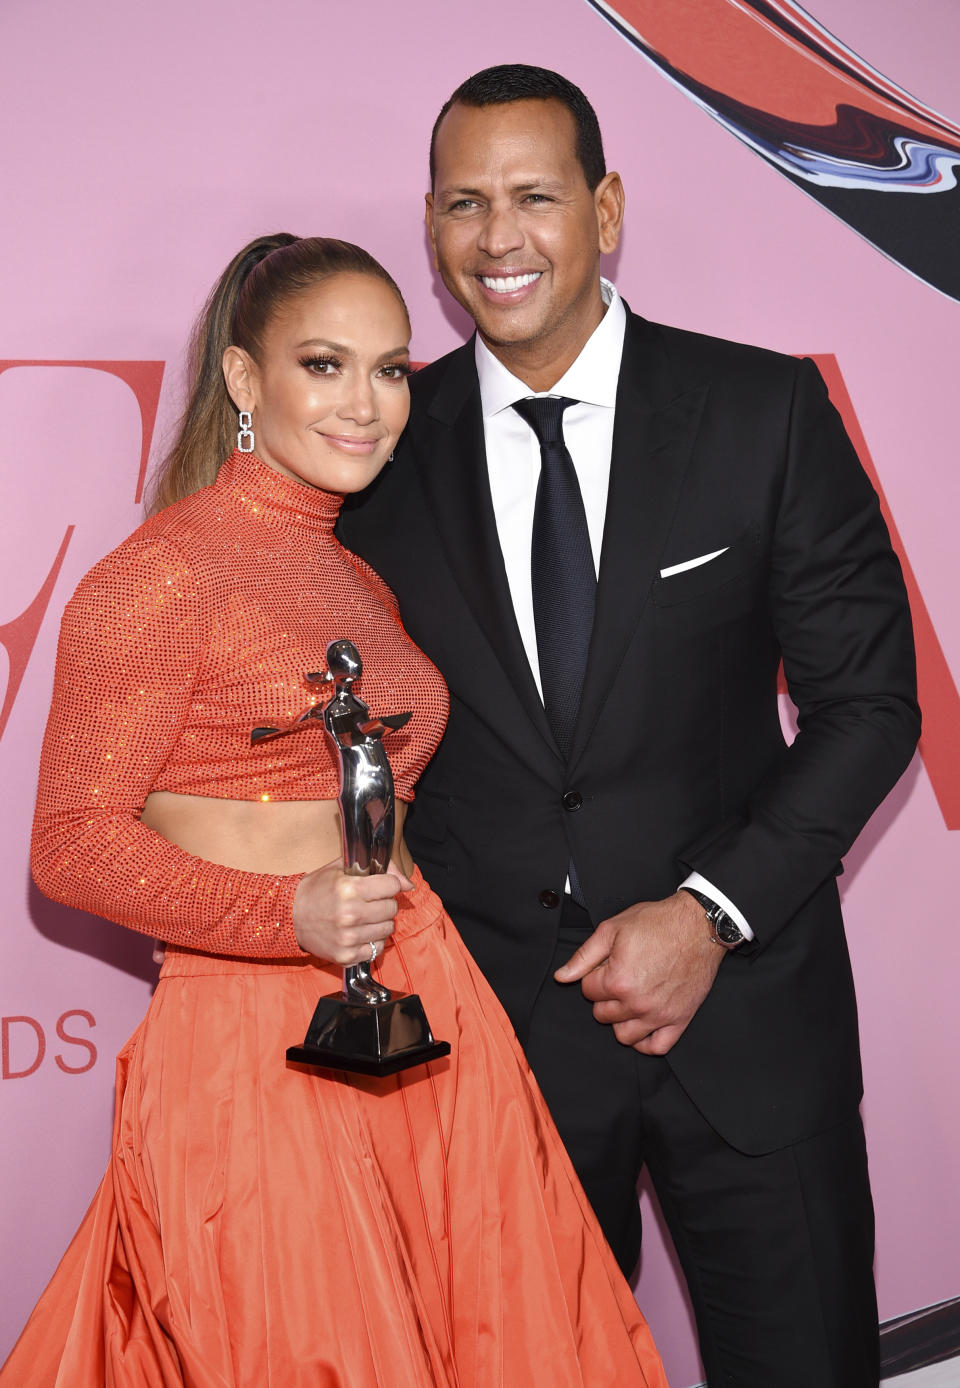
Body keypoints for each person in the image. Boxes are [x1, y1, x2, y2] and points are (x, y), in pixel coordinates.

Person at [338, 65, 921, 1387]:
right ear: (428, 227)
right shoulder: (378, 458)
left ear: (606, 209)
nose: (499, 239)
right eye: (464, 203)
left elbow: (872, 703)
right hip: (497, 1060)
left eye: (535, 197)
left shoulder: (761, 415)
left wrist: (708, 912)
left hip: (753, 1034)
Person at [1, 235, 667, 1386]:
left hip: (426, 998)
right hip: (254, 1029)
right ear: (246, 381)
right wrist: (285, 914)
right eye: (325, 365)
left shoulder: (360, 577)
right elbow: (68, 844)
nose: (367, 404)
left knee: (493, 1342)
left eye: (392, 369)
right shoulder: (159, 575)